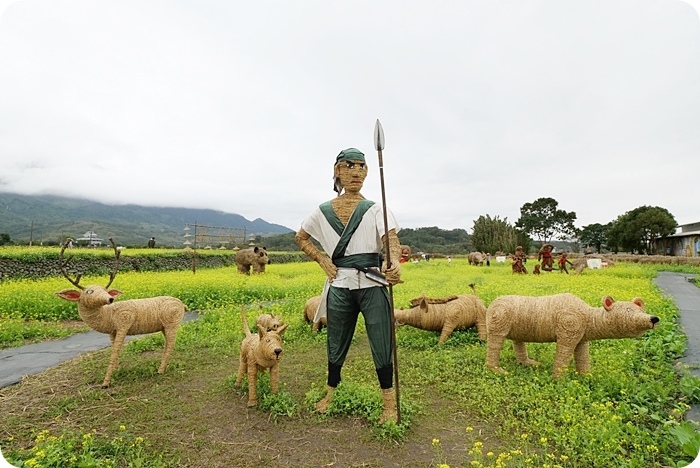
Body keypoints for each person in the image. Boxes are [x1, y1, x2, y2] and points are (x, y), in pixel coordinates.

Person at [295, 147, 402, 425]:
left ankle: (388, 404)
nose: (356, 172)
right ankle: (331, 392)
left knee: (381, 340)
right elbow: (302, 237)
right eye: (349, 165)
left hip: (372, 283)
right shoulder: (321, 211)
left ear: (367, 172)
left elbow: (390, 239)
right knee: (335, 340)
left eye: (361, 167)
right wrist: (321, 258)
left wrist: (394, 262)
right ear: (337, 171)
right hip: (340, 283)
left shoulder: (376, 209)